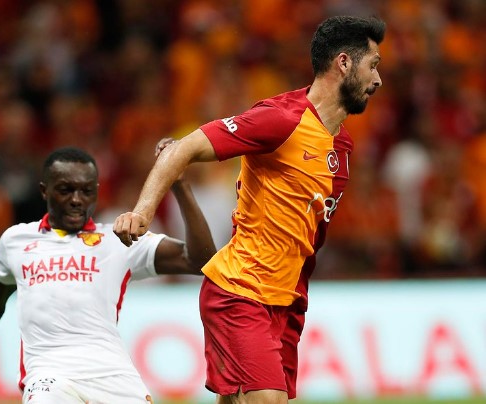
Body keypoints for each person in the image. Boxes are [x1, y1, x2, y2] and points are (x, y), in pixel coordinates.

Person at [113, 15, 386, 404]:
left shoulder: (342, 148)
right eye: (372, 65)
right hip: (241, 291)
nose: (378, 80)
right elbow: (184, 147)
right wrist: (142, 212)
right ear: (343, 63)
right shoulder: (282, 119)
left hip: (286, 301)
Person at [0, 143, 216, 403]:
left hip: (114, 376)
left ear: (96, 191)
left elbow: (199, 260)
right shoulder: (17, 241)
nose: (76, 199)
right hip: (49, 376)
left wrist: (179, 184)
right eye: (65, 190)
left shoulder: (117, 239)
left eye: (86, 191)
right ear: (44, 190)